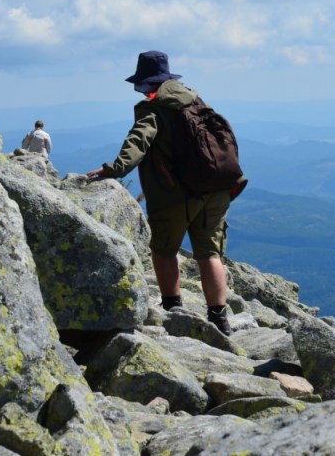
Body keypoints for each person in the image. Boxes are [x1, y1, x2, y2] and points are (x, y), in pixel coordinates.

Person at [86, 50, 242, 336]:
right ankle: (220, 320)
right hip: (216, 188)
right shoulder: (197, 101)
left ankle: (172, 310)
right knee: (209, 253)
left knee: (163, 250)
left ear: (147, 83)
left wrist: (114, 169)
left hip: (177, 195)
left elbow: (138, 141)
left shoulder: (154, 109)